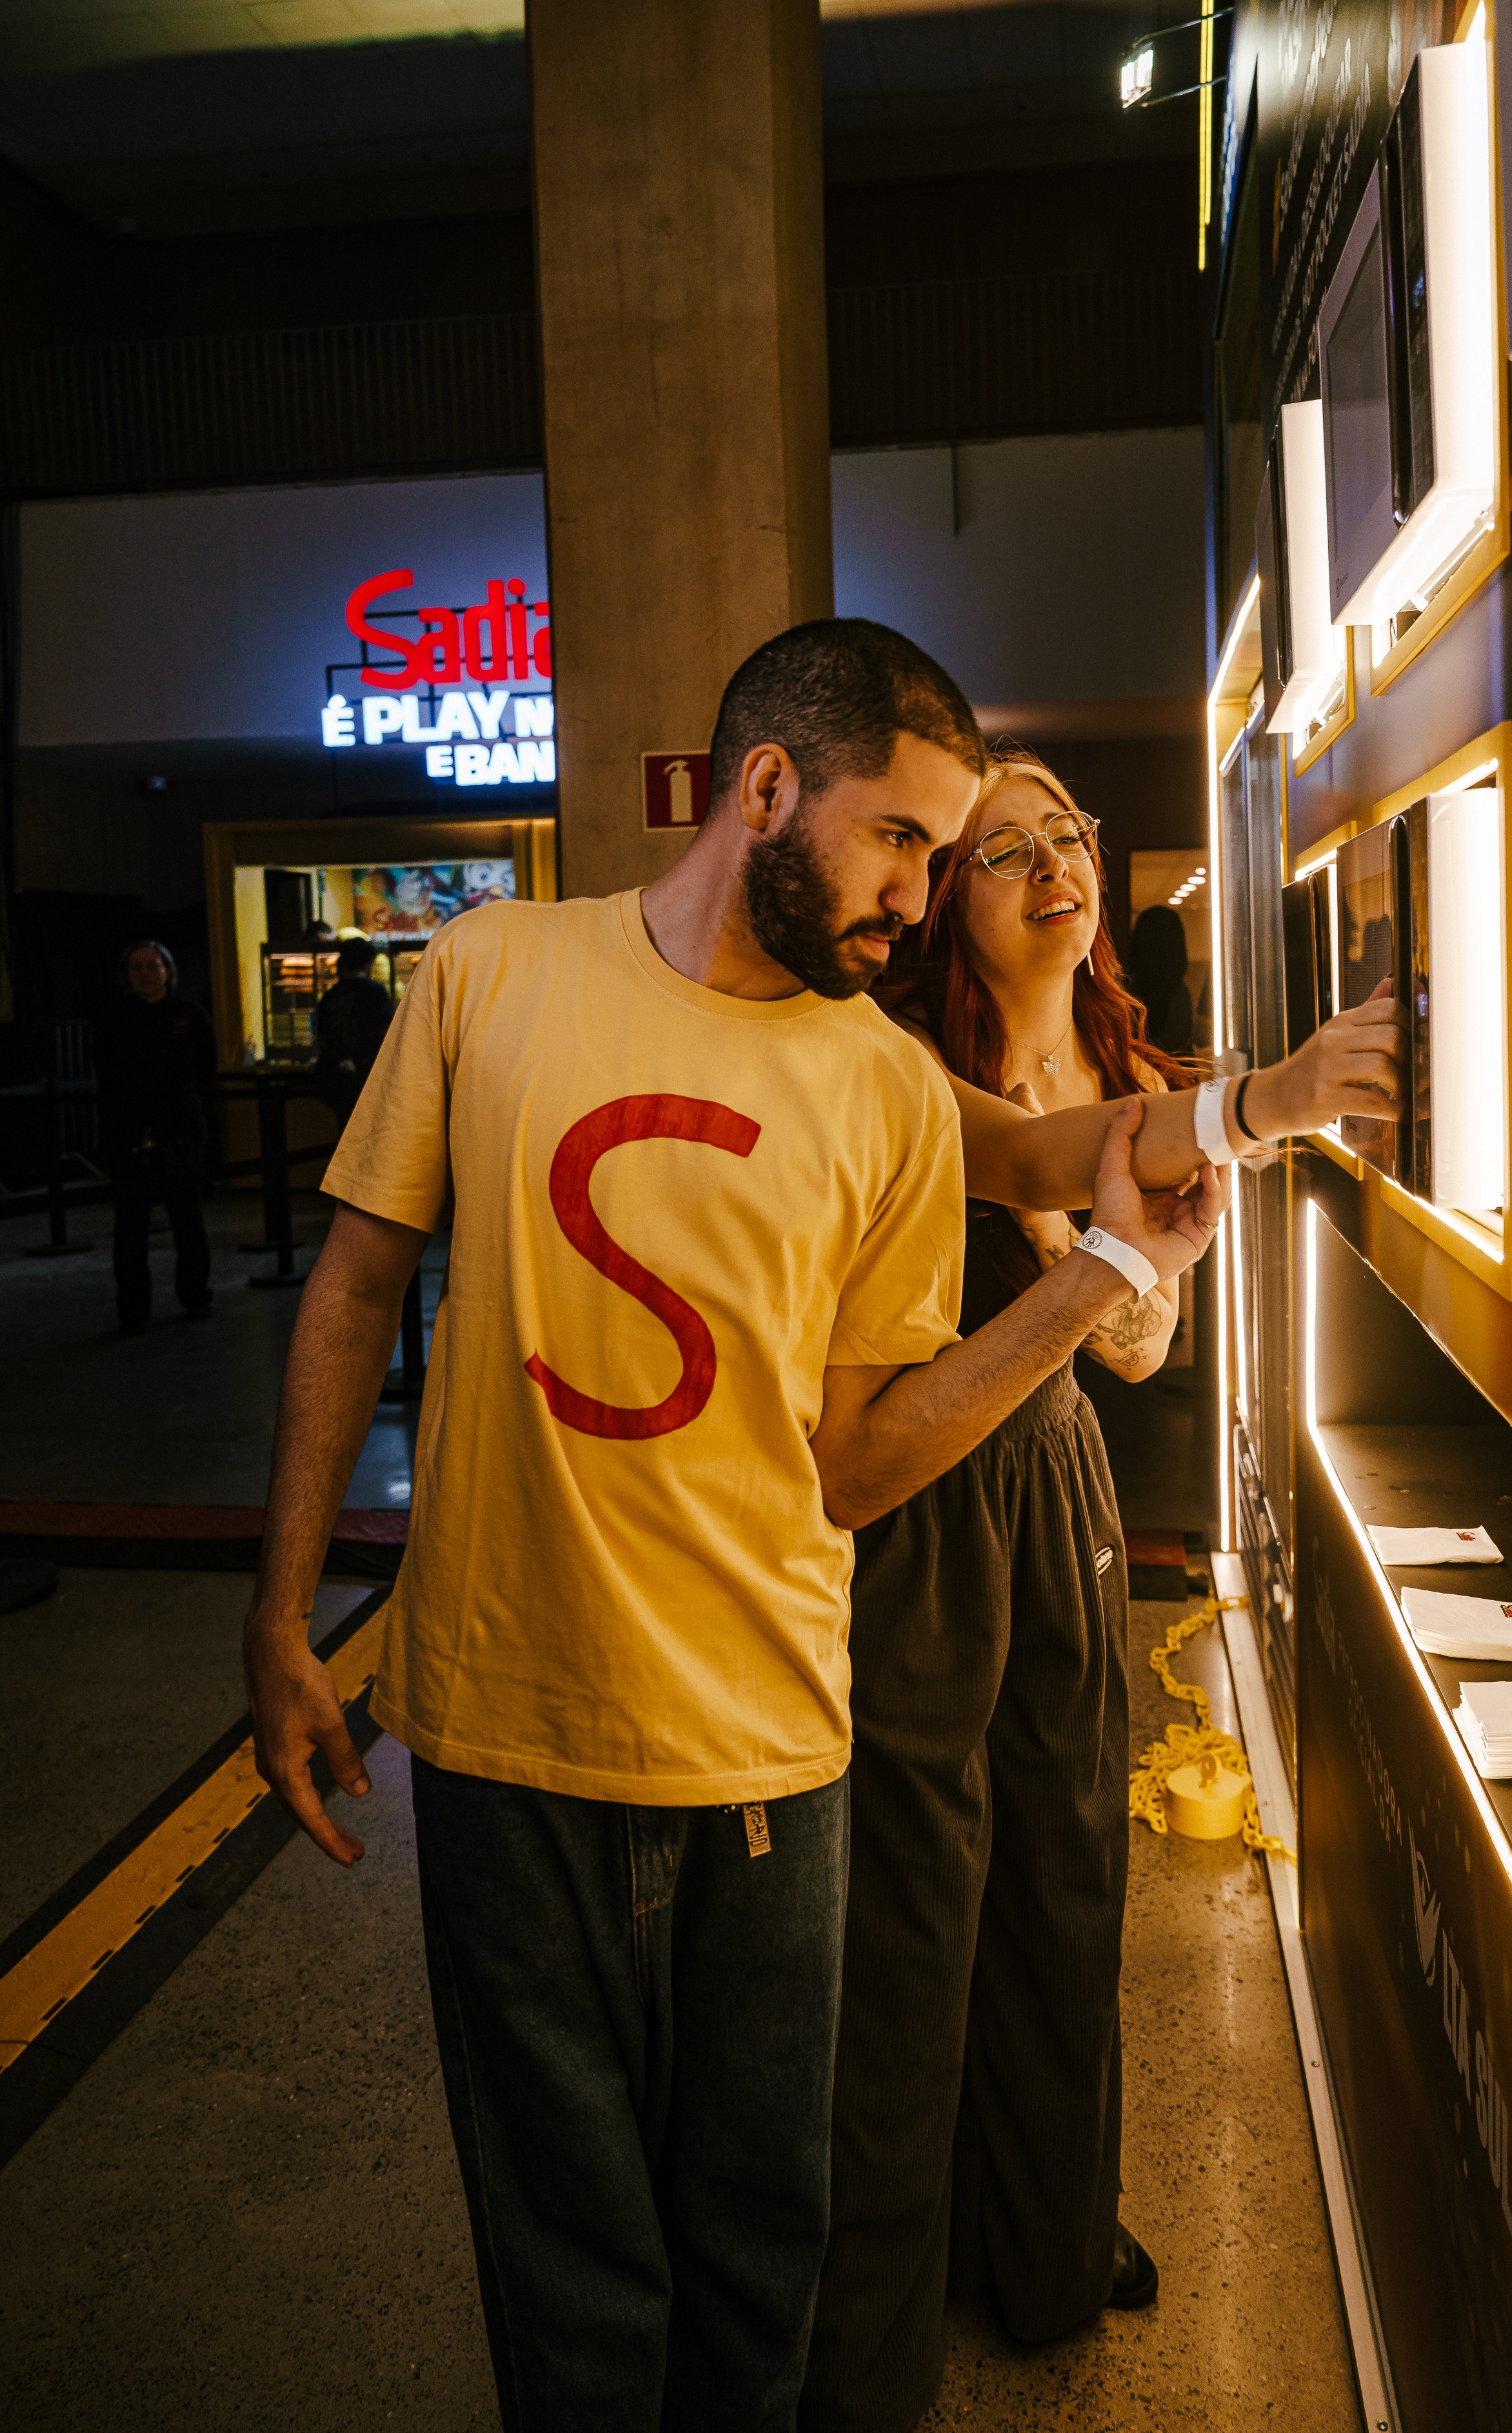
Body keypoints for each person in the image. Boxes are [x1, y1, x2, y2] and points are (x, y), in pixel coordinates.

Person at [243, 619, 1403, 2431]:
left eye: (943, 854)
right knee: (565, 2270)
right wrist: (282, 1619)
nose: (917, 896)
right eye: (902, 841)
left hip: (769, 1749)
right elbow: (352, 1283)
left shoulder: (870, 1074)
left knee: (760, 2255)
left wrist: (1242, 1126)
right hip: (497, 1730)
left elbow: (987, 1246)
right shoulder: (488, 970)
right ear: (768, 788)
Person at [801, 750, 1217, 2433]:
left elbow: (1140, 1348)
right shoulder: (900, 1066)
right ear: (938, 903)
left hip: (1056, 1480)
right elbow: (1035, 1185)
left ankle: (1047, 2239)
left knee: (1067, 1868)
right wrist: (1125, 1195)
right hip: (922, 1495)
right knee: (914, 1909)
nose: (1054, 866)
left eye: (1066, 835)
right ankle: (875, 2324)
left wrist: (1126, 1261)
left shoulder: (1126, 1063)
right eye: (1001, 851)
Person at [95, 939, 217, 1335]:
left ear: (168, 972)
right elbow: (106, 1074)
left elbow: (206, 1070)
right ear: (127, 975)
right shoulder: (114, 1018)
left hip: (180, 1129)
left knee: (188, 1219)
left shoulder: (189, 1016)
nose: (145, 974)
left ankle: (196, 1297)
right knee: (130, 1226)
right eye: (137, 968)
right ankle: (132, 1310)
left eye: (152, 966)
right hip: (128, 1129)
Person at [313, 937, 395, 1132]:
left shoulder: (330, 996)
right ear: (368, 963)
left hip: (336, 1081)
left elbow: (322, 1040)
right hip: (367, 1077)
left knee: (345, 1133)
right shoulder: (375, 992)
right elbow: (389, 1034)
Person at [1124, 899, 1194, 1054]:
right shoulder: (1180, 994)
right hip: (1177, 1068)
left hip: (1134, 1066)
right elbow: (1175, 1044)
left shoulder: (1125, 990)